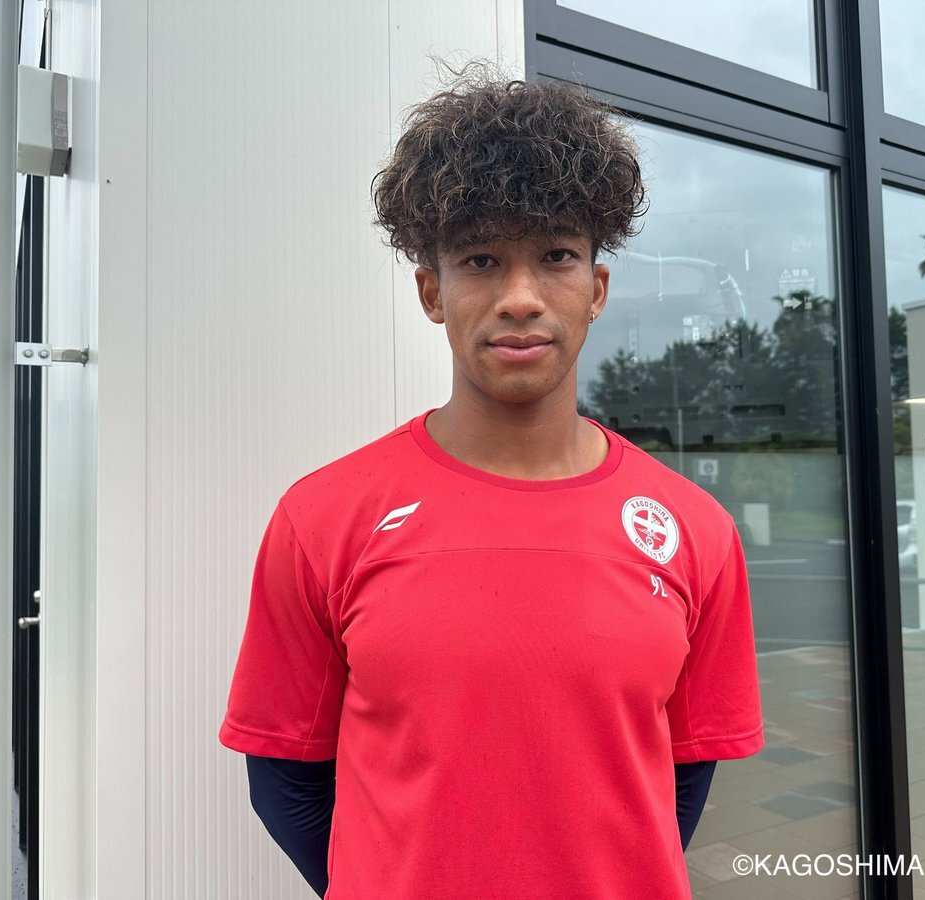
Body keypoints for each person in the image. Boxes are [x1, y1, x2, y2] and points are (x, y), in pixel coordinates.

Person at [220, 68, 763, 899]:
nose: (519, 298)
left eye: (556, 257)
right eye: (481, 260)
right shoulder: (324, 517)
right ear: (432, 292)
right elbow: (285, 776)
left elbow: (682, 777)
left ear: (596, 290)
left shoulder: (693, 529)